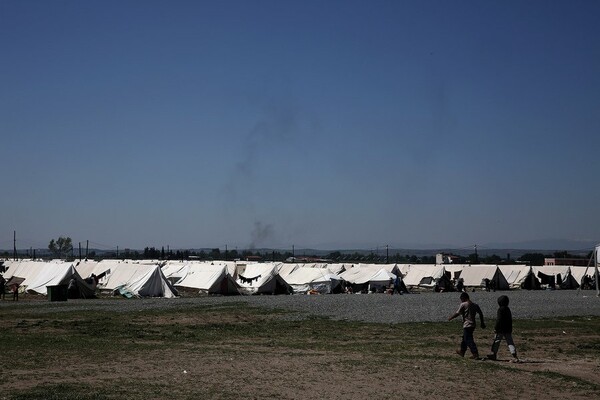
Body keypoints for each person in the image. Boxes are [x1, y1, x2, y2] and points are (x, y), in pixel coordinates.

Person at [448, 292, 485, 359]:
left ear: (463, 298)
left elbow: (457, 313)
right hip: (473, 324)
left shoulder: (463, 304)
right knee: (464, 338)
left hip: (467, 324)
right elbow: (481, 314)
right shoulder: (475, 305)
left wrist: (451, 317)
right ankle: (462, 351)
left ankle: (475, 353)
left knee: (468, 339)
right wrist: (482, 323)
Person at [487, 295, 519, 362]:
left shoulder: (500, 310)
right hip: (508, 329)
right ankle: (514, 354)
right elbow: (510, 319)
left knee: (497, 341)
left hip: (500, 329)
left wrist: (496, 328)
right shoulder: (508, 309)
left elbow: (499, 320)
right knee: (510, 342)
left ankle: (494, 354)